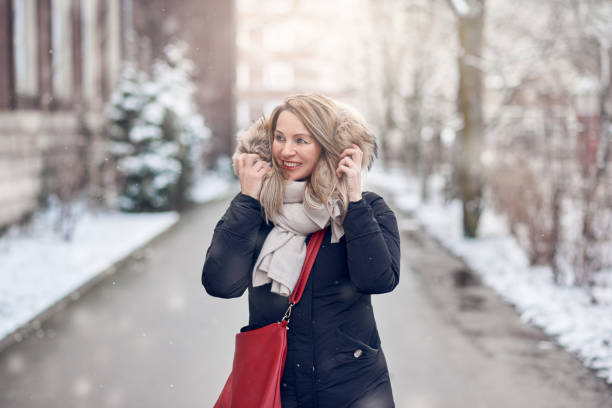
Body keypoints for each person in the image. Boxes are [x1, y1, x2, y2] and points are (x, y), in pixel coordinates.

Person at [202, 93, 400, 407]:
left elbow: (377, 279)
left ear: (326, 146)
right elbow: (221, 284)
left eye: (301, 140)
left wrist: (354, 202)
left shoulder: (367, 208)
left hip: (353, 390)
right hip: (276, 387)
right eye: (279, 138)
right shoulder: (259, 210)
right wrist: (247, 200)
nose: (286, 150)